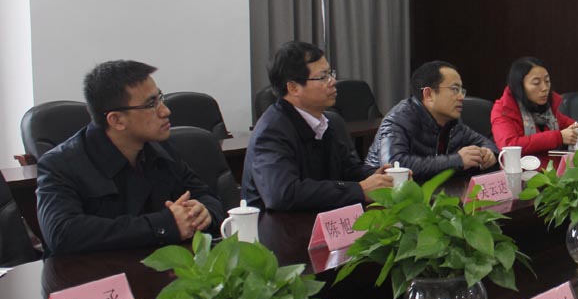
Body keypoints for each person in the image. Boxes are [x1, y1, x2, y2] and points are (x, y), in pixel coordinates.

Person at [37, 60, 224, 256]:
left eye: (160, 98)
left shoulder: (160, 148)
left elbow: (206, 196)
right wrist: (162, 225)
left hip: (156, 266)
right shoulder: (59, 164)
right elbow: (62, 233)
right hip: (95, 272)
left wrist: (203, 213)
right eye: (151, 104)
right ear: (117, 120)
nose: (165, 111)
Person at [242, 41, 392, 211]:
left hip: (321, 219)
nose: (333, 81)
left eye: (330, 73)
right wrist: (359, 190)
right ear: (293, 87)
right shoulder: (271, 132)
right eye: (323, 77)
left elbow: (349, 170)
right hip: (278, 225)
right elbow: (283, 194)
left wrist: (378, 177)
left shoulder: (329, 122)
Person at [366, 61, 497, 180]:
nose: (461, 97)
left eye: (461, 90)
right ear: (428, 94)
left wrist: (489, 153)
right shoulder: (398, 119)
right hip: (384, 195)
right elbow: (394, 165)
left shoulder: (452, 123)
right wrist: (457, 160)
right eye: (454, 89)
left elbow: (485, 142)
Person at [490, 56, 578, 164]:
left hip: (553, 172)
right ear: (520, 86)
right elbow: (509, 146)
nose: (544, 88)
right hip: (521, 172)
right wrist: (558, 137)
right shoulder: (503, 110)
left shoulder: (549, 110)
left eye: (547, 81)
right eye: (536, 83)